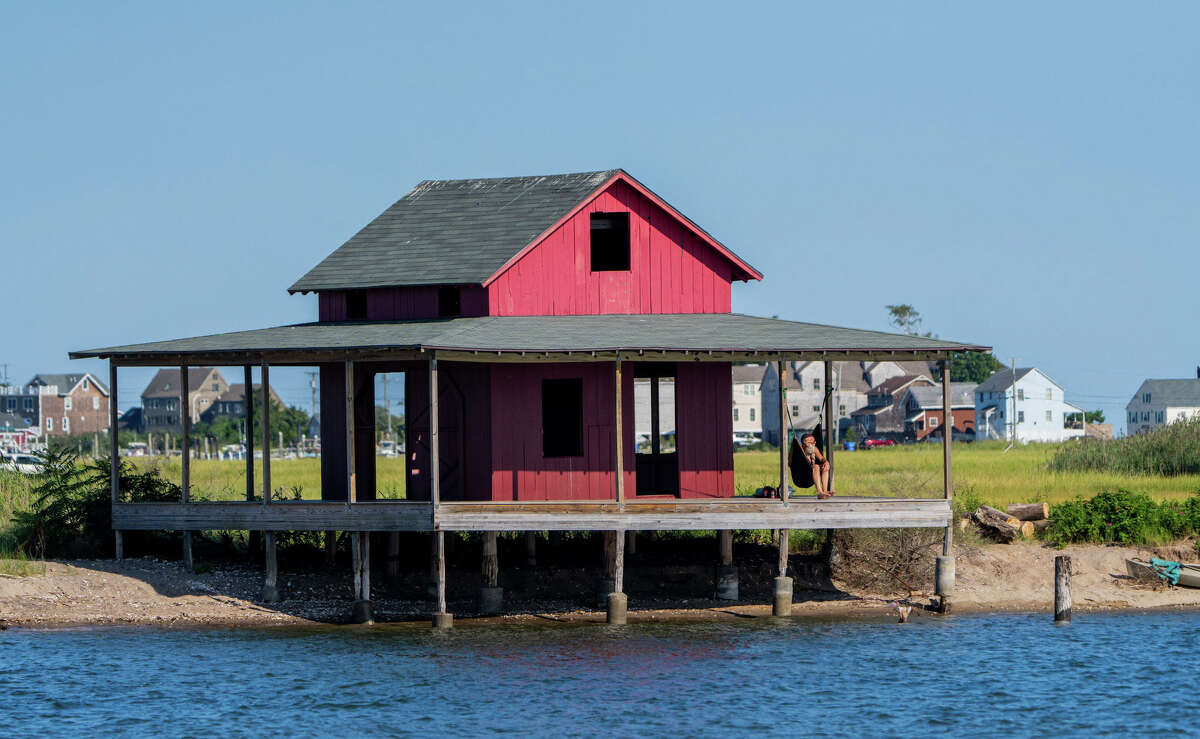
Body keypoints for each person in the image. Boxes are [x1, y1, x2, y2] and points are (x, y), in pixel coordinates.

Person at [798, 432, 833, 499]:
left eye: (812, 442)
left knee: (825, 466)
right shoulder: (799, 451)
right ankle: (819, 492)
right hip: (802, 476)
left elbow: (821, 458)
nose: (811, 444)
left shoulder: (814, 449)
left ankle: (824, 491)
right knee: (816, 466)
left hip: (813, 475)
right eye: (808, 442)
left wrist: (826, 462)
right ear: (803, 444)